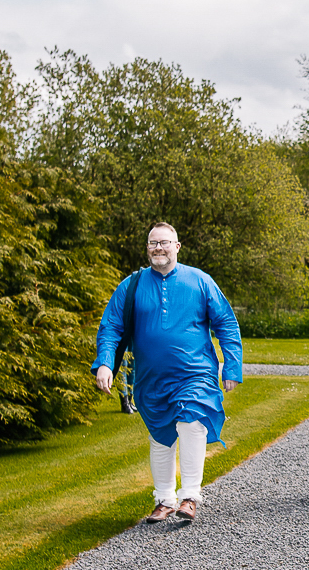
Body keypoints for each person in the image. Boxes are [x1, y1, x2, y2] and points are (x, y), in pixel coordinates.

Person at [93, 223, 242, 524]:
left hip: (194, 374)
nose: (158, 248)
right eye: (152, 243)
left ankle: (190, 497)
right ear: (147, 248)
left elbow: (226, 323)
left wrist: (232, 365)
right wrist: (106, 363)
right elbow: (111, 327)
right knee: (161, 438)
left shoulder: (199, 281)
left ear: (177, 246)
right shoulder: (131, 285)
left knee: (191, 422)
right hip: (150, 380)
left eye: (164, 242)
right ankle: (164, 500)